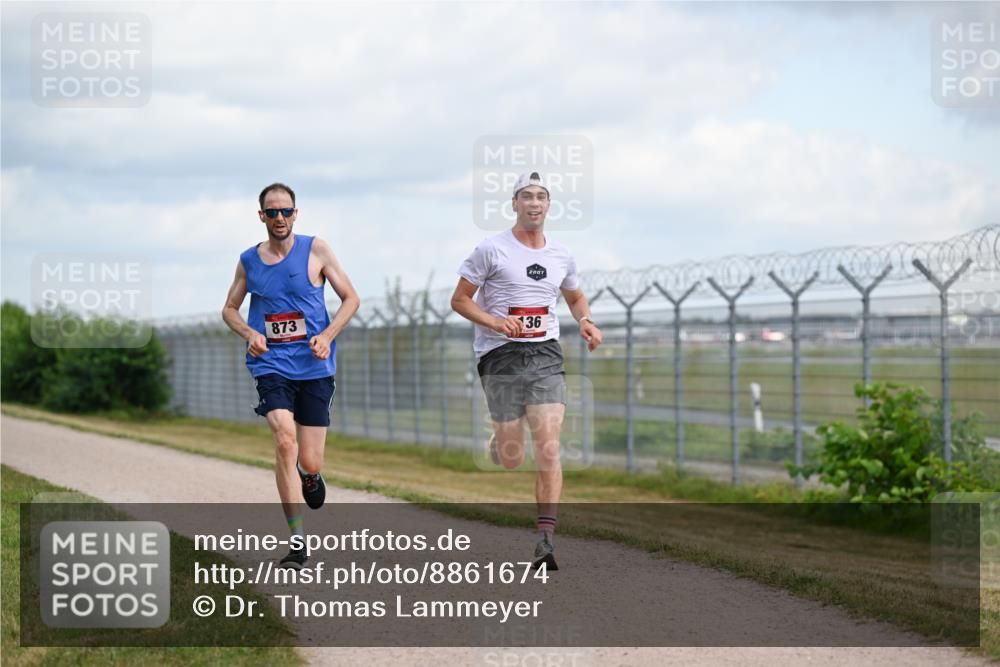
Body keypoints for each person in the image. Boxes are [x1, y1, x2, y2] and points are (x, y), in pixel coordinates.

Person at [451, 172, 602, 570]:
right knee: (513, 456)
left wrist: (585, 319)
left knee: (549, 444)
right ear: (514, 204)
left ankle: (546, 540)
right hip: (499, 354)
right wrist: (497, 322)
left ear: (548, 206)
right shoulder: (490, 249)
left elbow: (574, 294)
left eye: (541, 197)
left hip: (545, 354)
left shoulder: (561, 254)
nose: (534, 203)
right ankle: (500, 442)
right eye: (526, 196)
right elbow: (460, 300)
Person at [222, 182, 360, 569]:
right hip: (271, 364)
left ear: (295, 214)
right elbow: (229, 309)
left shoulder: (316, 249)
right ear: (261, 215)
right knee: (285, 440)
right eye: (272, 212)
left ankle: (309, 475)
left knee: (310, 460)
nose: (279, 218)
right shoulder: (249, 260)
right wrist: (250, 332)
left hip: (315, 365)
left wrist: (328, 335)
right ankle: (298, 542)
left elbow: (351, 298)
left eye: (286, 211)